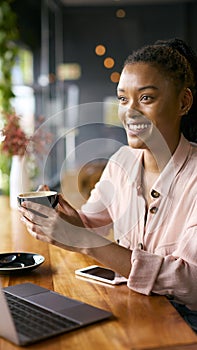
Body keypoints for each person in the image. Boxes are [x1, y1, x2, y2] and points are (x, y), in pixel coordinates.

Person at [19, 38, 197, 332]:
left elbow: (191, 283)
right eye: (123, 99)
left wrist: (81, 239)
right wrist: (63, 220)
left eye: (146, 98)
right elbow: (93, 224)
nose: (130, 112)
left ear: (183, 102)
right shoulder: (122, 161)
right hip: (136, 306)